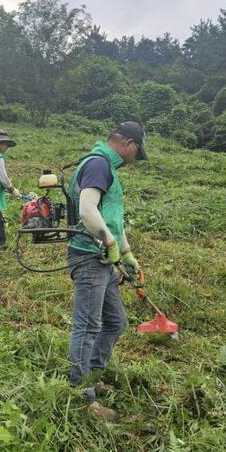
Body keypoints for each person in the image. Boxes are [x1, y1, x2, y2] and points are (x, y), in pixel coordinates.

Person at [66, 121, 147, 420]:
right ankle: (81, 396)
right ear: (128, 144)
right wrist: (109, 242)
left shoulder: (106, 167)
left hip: (103, 258)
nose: (134, 159)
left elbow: (110, 216)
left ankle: (93, 375)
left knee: (115, 322)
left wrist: (126, 253)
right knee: (87, 327)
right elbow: (88, 210)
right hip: (89, 257)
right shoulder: (99, 164)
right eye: (136, 152)